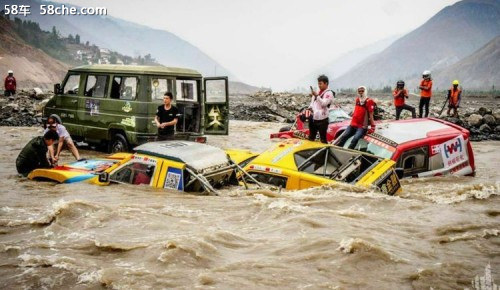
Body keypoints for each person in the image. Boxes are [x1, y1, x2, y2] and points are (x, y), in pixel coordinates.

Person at [308, 75, 334, 144]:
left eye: (320, 84)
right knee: (311, 137)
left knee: (323, 139)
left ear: (326, 83)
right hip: (314, 118)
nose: (319, 85)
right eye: (318, 84)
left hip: (322, 119)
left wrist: (317, 96)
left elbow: (324, 104)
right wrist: (310, 108)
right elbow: (312, 102)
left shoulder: (329, 93)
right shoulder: (318, 91)